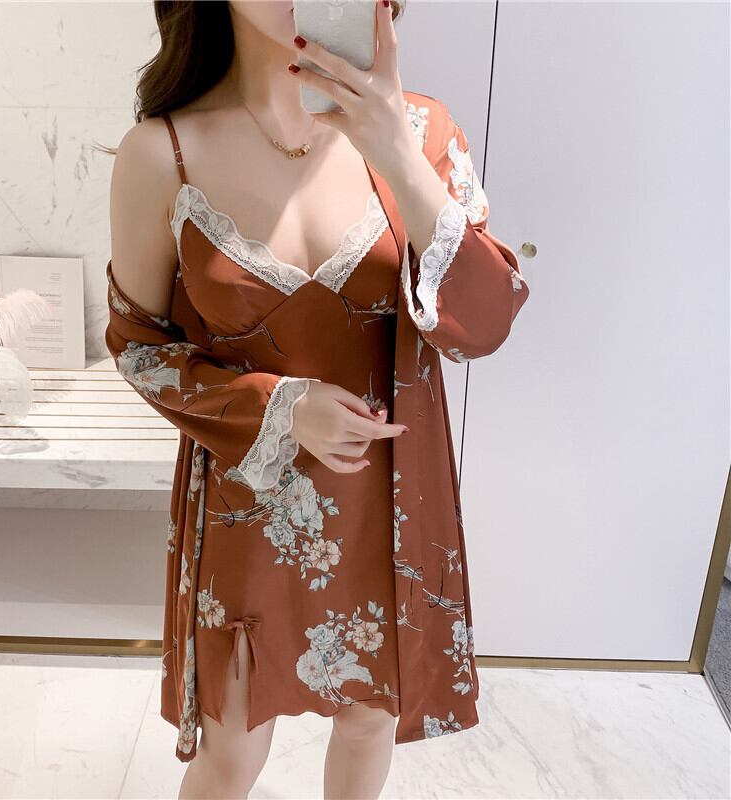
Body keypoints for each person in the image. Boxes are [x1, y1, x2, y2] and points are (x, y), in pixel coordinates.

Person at [105, 1, 529, 798]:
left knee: (368, 726)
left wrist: (398, 155)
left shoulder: (425, 133)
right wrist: (281, 407)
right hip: (246, 510)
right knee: (230, 752)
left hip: (388, 513)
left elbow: (486, 324)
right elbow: (140, 346)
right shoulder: (163, 153)